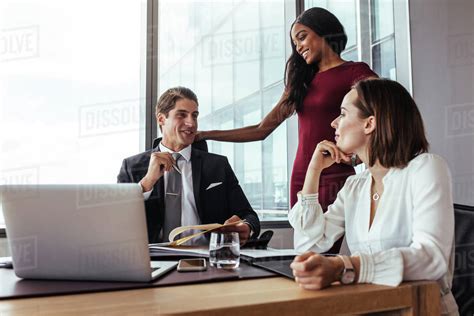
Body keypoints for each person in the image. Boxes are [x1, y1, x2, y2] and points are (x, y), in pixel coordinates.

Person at [289, 78, 458, 315]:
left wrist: (346, 267)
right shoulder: (354, 186)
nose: (334, 123)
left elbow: (431, 258)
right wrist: (313, 172)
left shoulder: (426, 168)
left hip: (421, 309)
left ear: (370, 124)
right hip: (371, 308)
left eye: (343, 114)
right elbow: (308, 245)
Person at [196, 7, 377, 212]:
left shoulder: (355, 72)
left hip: (333, 174)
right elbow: (261, 129)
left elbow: (387, 113)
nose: (298, 47)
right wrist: (205, 134)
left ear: (323, 30)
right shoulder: (302, 83)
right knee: (303, 241)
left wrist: (359, 157)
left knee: (319, 242)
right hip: (301, 173)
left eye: (302, 37)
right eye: (295, 43)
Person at [118, 87, 260, 245]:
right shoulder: (132, 167)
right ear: (161, 119)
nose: (191, 123)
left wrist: (247, 227)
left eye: (195, 115)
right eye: (182, 115)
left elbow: (249, 215)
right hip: (153, 260)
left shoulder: (218, 166)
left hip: (207, 258)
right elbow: (116, 221)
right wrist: (146, 183)